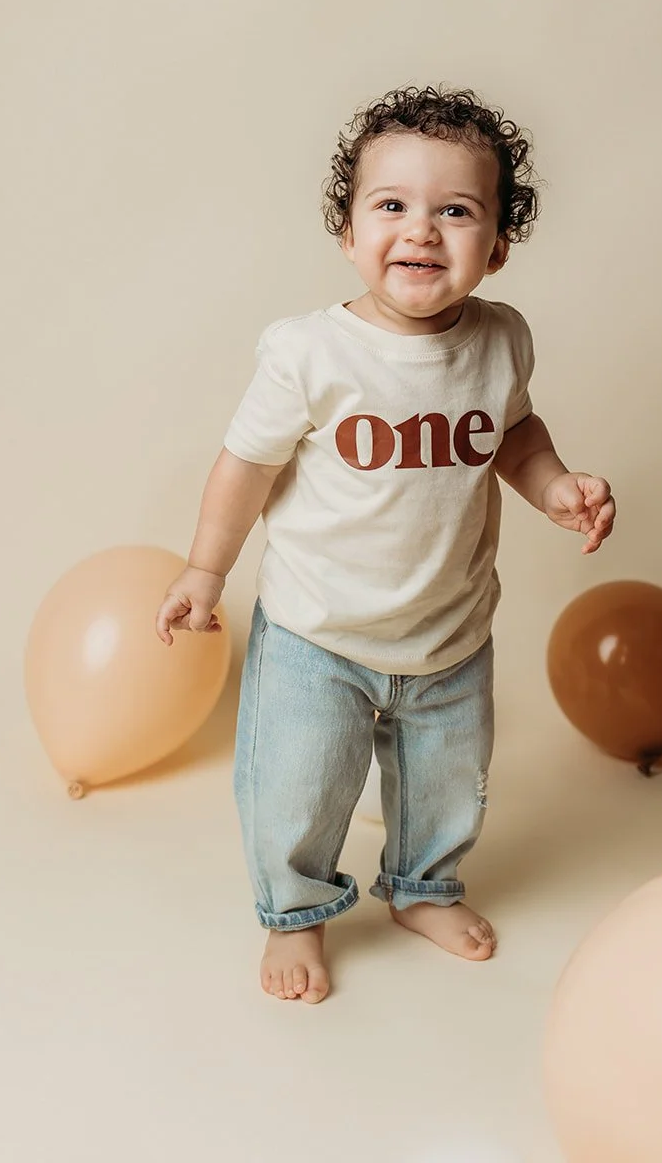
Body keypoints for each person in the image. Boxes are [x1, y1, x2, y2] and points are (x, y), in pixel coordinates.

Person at [154, 86, 616, 1005]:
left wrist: (555, 486)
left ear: (497, 246)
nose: (421, 230)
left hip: (447, 632)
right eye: (391, 205)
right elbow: (244, 465)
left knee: (449, 785)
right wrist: (206, 570)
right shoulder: (308, 354)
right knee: (300, 789)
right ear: (348, 231)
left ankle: (422, 886)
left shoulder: (501, 339)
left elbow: (512, 435)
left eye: (455, 211)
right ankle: (297, 912)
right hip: (316, 633)